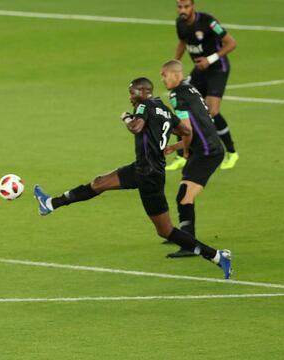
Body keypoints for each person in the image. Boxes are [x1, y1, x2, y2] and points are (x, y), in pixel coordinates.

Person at [34, 78, 232, 279]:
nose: (130, 97)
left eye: (132, 93)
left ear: (143, 91)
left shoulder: (144, 105)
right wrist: (174, 145)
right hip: (144, 169)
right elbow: (186, 131)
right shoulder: (162, 108)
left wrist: (126, 118)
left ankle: (216, 255)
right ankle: (50, 203)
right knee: (99, 183)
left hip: (149, 175)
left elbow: (136, 127)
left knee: (166, 231)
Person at [161, 60, 225, 258]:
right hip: (208, 147)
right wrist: (176, 146)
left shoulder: (176, 95)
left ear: (176, 75)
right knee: (183, 194)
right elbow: (199, 126)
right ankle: (181, 236)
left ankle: (189, 244)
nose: (163, 79)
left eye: (164, 75)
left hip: (207, 152)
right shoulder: (190, 89)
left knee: (184, 197)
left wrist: (185, 151)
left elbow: (187, 130)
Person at [167, 0, 238, 172]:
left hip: (217, 69)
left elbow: (231, 43)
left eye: (186, 7)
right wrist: (175, 63)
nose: (182, 10)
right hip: (200, 70)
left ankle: (231, 152)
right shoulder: (180, 23)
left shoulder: (208, 22)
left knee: (212, 111)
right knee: (182, 103)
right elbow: (183, 42)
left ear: (193, 7)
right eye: (179, 7)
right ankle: (182, 156)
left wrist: (210, 59)